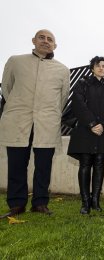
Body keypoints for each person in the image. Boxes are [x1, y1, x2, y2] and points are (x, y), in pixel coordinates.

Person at [0, 29, 69, 217]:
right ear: (33, 41)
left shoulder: (62, 69)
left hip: (46, 123)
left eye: (50, 39)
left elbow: (62, 98)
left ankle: (40, 203)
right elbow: (6, 89)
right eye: (42, 38)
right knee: (16, 164)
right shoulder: (16, 61)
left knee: (44, 165)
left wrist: (48, 112)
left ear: (55, 45)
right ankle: (16, 204)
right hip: (19, 120)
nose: (46, 41)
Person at [67, 56, 104, 215]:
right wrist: (91, 124)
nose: (102, 68)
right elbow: (78, 103)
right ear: (92, 68)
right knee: (85, 163)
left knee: (99, 163)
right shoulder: (83, 84)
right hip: (85, 131)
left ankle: (95, 201)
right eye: (98, 65)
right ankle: (85, 202)